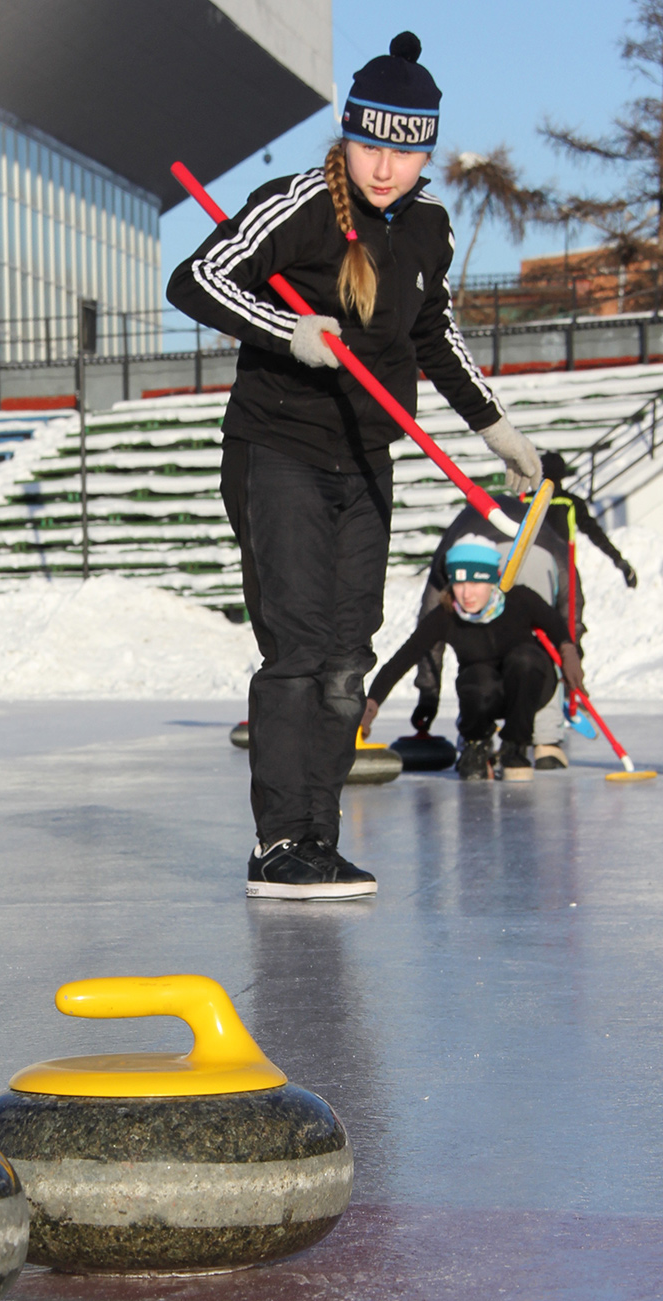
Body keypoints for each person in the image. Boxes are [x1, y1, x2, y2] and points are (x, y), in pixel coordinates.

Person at [167, 31, 542, 899]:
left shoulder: (428, 229)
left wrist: (493, 426)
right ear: (348, 137)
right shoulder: (296, 203)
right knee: (297, 648)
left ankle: (318, 836)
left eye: (405, 150)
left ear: (426, 152)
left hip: (367, 457)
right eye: (371, 145)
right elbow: (197, 277)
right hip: (279, 450)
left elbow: (431, 333)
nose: (385, 167)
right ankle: (276, 845)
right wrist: (287, 331)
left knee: (348, 654)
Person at [361, 537, 584, 781]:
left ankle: (514, 747)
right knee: (478, 678)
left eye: (476, 583)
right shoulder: (445, 615)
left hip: (529, 686)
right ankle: (476, 744)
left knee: (525, 658)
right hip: (481, 696)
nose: (467, 594)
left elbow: (559, 630)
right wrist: (370, 705)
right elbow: (402, 659)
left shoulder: (520, 599)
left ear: (493, 579)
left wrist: (570, 656)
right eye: (459, 584)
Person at [411, 495, 577, 770]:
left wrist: (428, 697)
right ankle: (546, 741)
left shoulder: (460, 536)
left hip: (491, 558)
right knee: (533, 653)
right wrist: (571, 650)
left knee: (489, 661)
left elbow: (431, 615)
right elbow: (570, 601)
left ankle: (475, 740)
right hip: (538, 552)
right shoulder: (546, 532)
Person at [532, 450, 638, 604]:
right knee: (572, 612)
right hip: (562, 570)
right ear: (563, 474)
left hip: (531, 567)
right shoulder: (571, 502)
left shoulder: (525, 502)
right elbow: (596, 534)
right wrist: (619, 561)